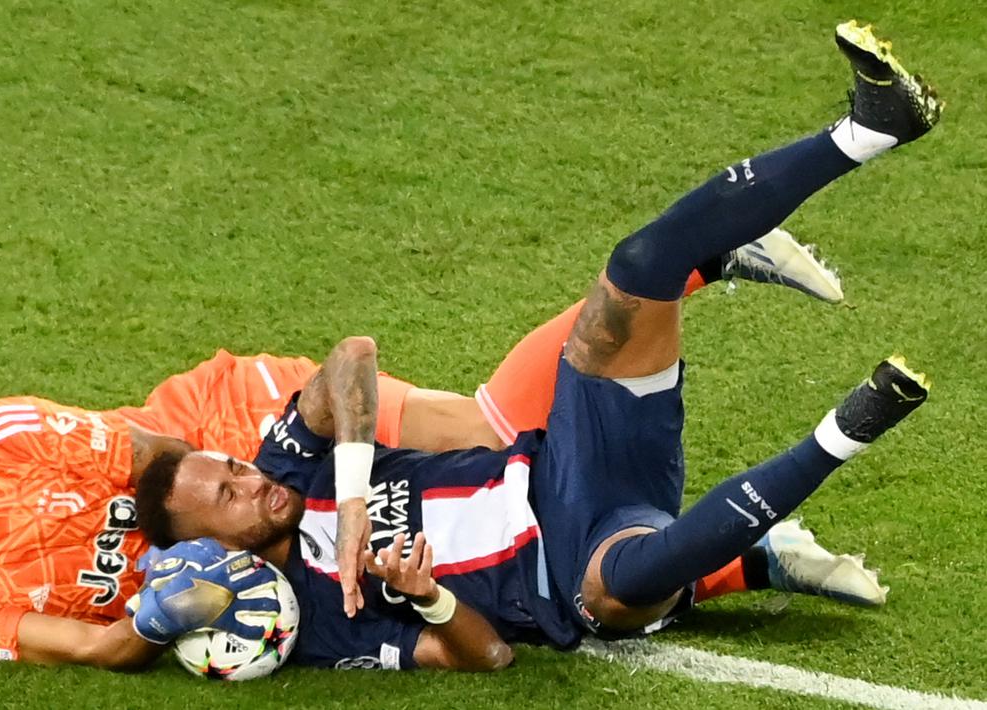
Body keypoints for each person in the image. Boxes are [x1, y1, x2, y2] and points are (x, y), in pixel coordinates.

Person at [0, 45, 856, 672]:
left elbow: (153, 462)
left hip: (212, 444)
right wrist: (180, 606)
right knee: (513, 484)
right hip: (230, 522)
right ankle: (736, 534)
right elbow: (95, 639)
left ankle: (702, 266)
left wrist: (282, 486)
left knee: (486, 434)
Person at [131, 20, 939, 671]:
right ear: (212, 544)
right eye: (230, 496)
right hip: (569, 568)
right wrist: (424, 599)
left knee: (637, 270)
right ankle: (852, 429)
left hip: (565, 456)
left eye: (231, 469)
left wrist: (346, 504)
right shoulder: (310, 620)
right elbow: (484, 660)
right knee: (633, 579)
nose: (249, 483)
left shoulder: (285, 466)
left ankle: (867, 132)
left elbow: (351, 357)